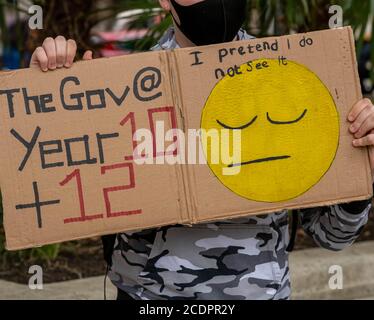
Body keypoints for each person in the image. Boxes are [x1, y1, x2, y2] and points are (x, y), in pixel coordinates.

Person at [30, 0, 374, 300]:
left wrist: (360, 170)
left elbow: (333, 236)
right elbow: (63, 191)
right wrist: (49, 95)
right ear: (165, 1)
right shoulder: (119, 92)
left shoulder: (296, 83)